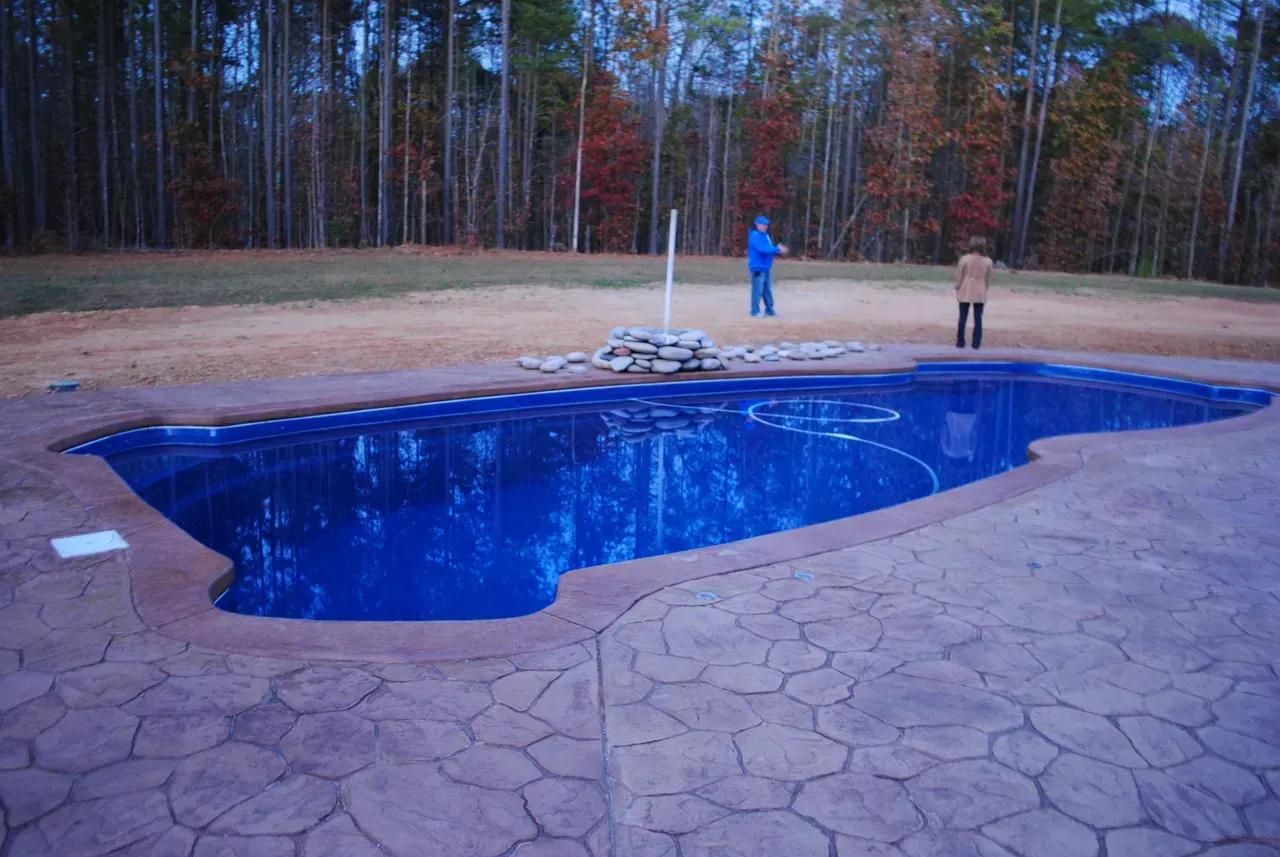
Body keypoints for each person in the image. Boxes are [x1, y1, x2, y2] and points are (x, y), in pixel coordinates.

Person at [954, 235, 993, 349]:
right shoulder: (988, 261)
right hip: (980, 291)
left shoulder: (964, 259)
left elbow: (959, 275)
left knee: (962, 318)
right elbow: (988, 278)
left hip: (965, 289)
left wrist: (957, 286)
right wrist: (986, 289)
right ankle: (976, 343)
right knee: (978, 318)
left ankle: (960, 342)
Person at [747, 215, 788, 317]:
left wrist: (776, 250)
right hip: (758, 267)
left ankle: (769, 309)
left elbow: (769, 249)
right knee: (758, 289)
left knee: (767, 289)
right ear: (757, 225)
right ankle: (755, 311)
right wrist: (777, 249)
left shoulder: (766, 236)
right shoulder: (755, 236)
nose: (765, 226)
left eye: (766, 225)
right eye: (763, 224)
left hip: (766, 267)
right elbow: (762, 249)